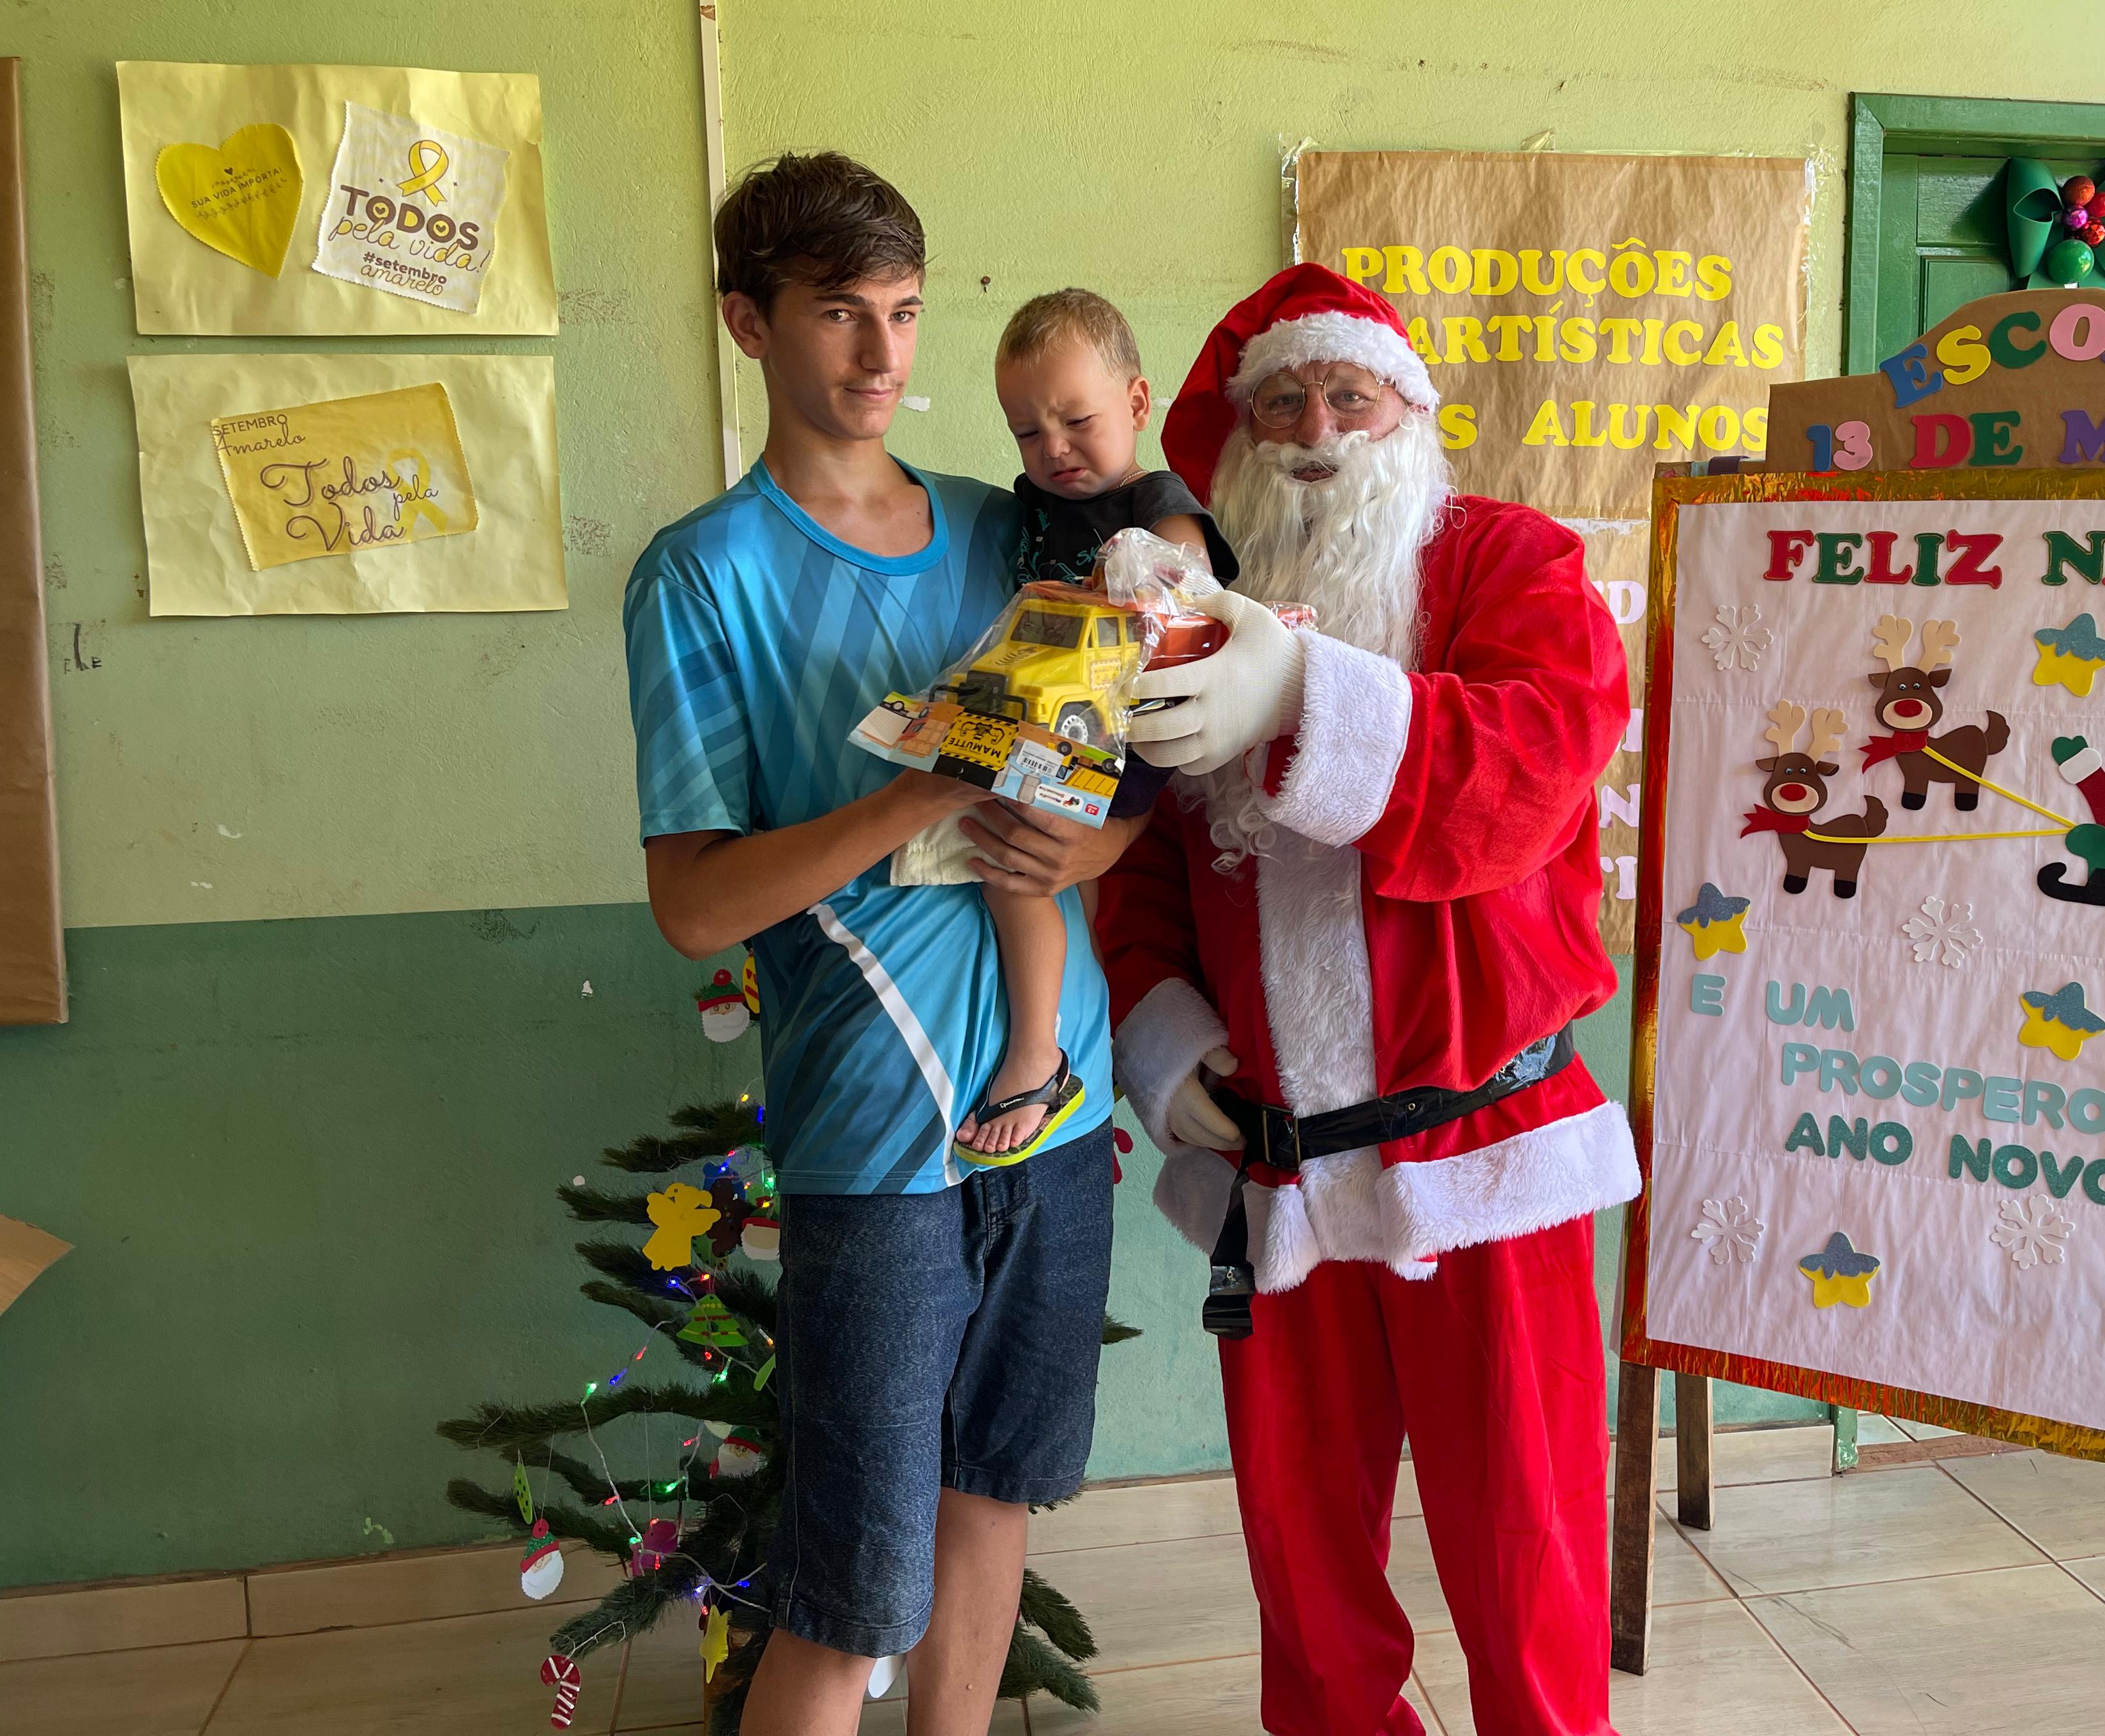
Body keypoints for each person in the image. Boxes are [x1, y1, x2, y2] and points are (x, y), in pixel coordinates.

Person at [621, 152, 1139, 1736]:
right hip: (875, 1126)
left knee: (995, 1496)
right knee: (851, 1593)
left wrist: (1097, 843)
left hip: (1058, 1102)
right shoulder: (702, 574)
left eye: (905, 313)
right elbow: (696, 906)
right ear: (748, 324)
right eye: (840, 312)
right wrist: (916, 794)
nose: (882, 354)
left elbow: (1124, 768)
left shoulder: (1010, 525)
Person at [1097, 264, 1641, 1736]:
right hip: (1279, 1167)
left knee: (1525, 1554)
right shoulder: (1187, 608)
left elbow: (1534, 767)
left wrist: (1303, 690)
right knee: (1304, 1568)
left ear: (1412, 413)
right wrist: (1165, 1040)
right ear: (1237, 439)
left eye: (1351, 396)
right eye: (1281, 404)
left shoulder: (1509, 562)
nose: (1318, 430)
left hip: (1484, 1156)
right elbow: (1143, 864)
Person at [942, 288, 1238, 1165]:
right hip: (1065, 722)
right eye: (1027, 434)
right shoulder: (1034, 507)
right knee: (1069, 894)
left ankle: (1037, 1058)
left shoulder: (1160, 503)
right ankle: (1089, 1039)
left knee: (1017, 871)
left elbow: (1188, 612)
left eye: (1077, 421)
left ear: (1138, 403)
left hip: (1134, 738)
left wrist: (1120, 598)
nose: (1055, 450)